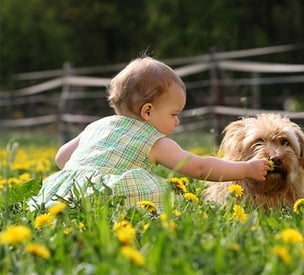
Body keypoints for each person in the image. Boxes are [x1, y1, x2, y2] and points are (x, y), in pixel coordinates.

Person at [28, 56, 270, 212]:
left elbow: (61, 158)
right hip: (108, 199)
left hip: (65, 195)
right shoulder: (153, 140)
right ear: (148, 111)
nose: (177, 121)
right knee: (155, 195)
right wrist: (245, 169)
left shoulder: (97, 126)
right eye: (174, 114)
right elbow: (198, 167)